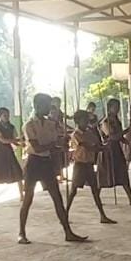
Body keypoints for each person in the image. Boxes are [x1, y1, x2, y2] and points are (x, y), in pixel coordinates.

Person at [19, 93, 88, 245]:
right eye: (46, 105)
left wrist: (62, 144)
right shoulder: (29, 125)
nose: (49, 108)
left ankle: (68, 232)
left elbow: (56, 143)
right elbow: (37, 147)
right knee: (28, 198)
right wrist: (55, 145)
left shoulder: (51, 124)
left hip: (47, 163)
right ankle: (21, 233)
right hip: (33, 163)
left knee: (57, 198)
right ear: (37, 105)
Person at [66, 110, 116, 224]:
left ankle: (102, 216)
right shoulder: (76, 134)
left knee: (95, 190)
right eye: (84, 119)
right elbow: (87, 146)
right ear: (77, 121)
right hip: (80, 164)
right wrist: (102, 148)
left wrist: (104, 145)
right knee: (73, 191)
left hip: (89, 164)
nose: (86, 121)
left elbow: (96, 144)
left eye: (86, 119)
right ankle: (65, 214)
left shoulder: (89, 133)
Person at [98, 98, 131, 205]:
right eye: (115, 107)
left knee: (122, 173)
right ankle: (97, 197)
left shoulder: (116, 120)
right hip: (107, 151)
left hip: (116, 150)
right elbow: (112, 137)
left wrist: (126, 141)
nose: (117, 109)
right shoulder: (105, 122)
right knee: (104, 176)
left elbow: (119, 137)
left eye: (118, 107)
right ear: (109, 108)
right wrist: (126, 131)